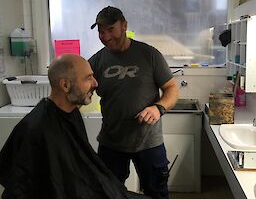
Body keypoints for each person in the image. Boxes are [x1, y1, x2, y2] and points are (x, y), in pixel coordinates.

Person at [0, 54, 151, 199]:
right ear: (65, 85)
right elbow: (20, 189)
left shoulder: (72, 113)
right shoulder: (35, 129)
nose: (95, 83)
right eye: (88, 78)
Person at [89, 6, 179, 199]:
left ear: (124, 26)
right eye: (101, 31)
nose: (105, 36)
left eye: (110, 29)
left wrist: (158, 108)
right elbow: (81, 88)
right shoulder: (96, 61)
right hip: (111, 142)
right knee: (109, 194)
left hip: (149, 142)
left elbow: (172, 88)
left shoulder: (149, 55)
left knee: (157, 193)